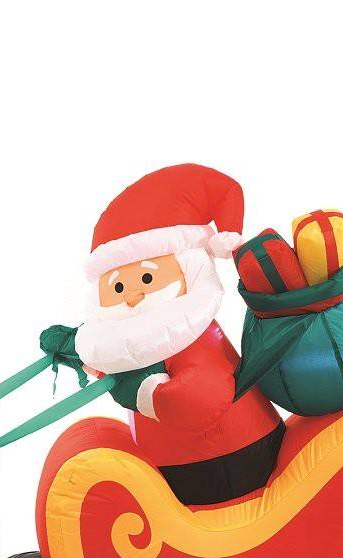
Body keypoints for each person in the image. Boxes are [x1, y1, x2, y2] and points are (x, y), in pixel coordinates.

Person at [43, 163, 284, 507]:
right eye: (119, 287)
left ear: (188, 270)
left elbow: (201, 398)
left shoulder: (192, 337)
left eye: (147, 279)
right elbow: (109, 349)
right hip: (167, 472)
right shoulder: (125, 343)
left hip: (237, 459)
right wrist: (75, 348)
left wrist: (143, 391)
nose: (133, 295)